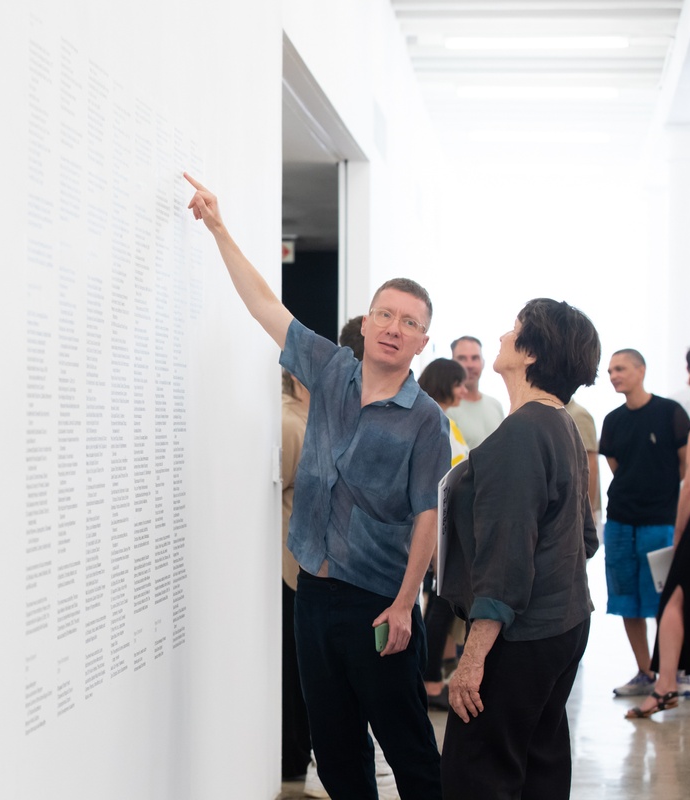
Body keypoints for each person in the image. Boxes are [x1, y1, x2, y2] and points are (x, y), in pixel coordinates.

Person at [185, 173, 449, 800]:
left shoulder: (425, 420)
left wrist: (406, 605)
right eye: (383, 313)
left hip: (376, 603)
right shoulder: (330, 371)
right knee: (334, 747)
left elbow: (427, 516)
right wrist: (220, 228)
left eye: (407, 321)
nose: (391, 326)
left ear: (421, 341)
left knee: (408, 746)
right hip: (312, 591)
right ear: (366, 322)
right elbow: (263, 306)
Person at [438, 298, 601, 800]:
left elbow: (507, 558)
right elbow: (585, 537)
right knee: (539, 766)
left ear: (531, 353)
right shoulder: (562, 425)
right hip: (565, 624)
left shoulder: (524, 432)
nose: (504, 337)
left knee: (477, 773)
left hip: (523, 635)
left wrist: (472, 658)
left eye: (514, 330)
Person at [600, 348, 690, 697]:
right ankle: (644, 672)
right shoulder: (613, 419)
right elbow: (617, 467)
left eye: (620, 368)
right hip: (621, 521)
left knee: (666, 602)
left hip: (660, 522)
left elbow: (684, 467)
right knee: (627, 600)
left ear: (641, 370)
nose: (613, 376)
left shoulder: (670, 412)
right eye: (609, 371)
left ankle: (674, 672)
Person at [626, 347, 690, 718]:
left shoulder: (679, 417)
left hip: (681, 521)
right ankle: (666, 682)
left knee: (673, 599)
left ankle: (666, 683)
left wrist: (680, 529)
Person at [416, 358, 470, 710]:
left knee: (439, 607)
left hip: (447, 528)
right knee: (438, 608)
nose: (465, 390)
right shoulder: (432, 419)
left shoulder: (441, 418)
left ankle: (429, 678)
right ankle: (430, 682)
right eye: (459, 383)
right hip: (439, 529)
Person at [280, 370, 312, 781]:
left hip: (310, 568)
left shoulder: (312, 417)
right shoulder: (288, 423)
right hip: (292, 567)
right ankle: (291, 757)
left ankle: (299, 753)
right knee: (293, 670)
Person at [447, 336, 505, 448]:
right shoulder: (445, 409)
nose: (469, 365)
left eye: (475, 358)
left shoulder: (495, 405)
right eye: (462, 358)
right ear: (452, 363)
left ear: (483, 362)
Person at [565, 397, 602, 523]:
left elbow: (590, 462)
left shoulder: (577, 414)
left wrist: (588, 509)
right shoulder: (557, 413)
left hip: (580, 509)